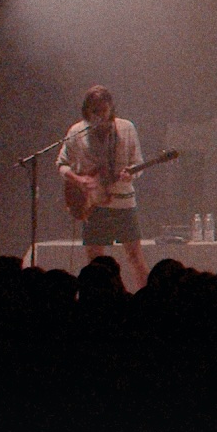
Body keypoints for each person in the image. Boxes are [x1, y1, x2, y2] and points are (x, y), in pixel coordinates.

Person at [57, 85, 149, 290]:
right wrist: (78, 180)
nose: (99, 115)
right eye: (94, 110)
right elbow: (61, 164)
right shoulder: (76, 131)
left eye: (103, 110)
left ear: (111, 108)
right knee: (95, 261)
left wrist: (131, 174)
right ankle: (98, 298)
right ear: (86, 110)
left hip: (123, 202)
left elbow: (138, 163)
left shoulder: (126, 128)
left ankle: (146, 299)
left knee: (135, 256)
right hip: (93, 204)